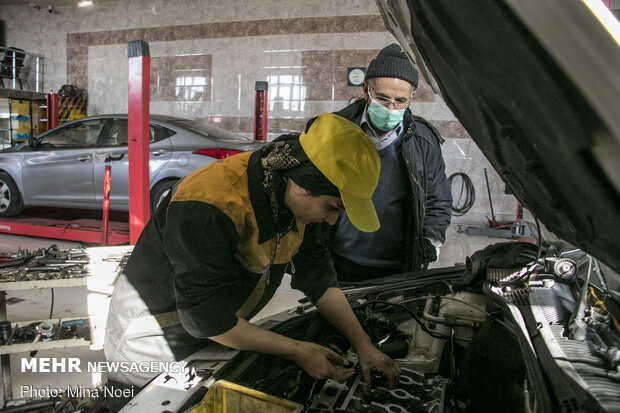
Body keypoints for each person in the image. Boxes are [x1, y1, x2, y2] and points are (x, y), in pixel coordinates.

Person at [103, 113, 401, 410]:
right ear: (302, 185)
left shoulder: (295, 194)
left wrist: (364, 346)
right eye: (333, 207)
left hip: (218, 334)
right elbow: (206, 317)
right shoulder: (209, 203)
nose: (333, 219)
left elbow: (318, 276)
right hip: (152, 344)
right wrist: (298, 351)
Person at [305, 43, 452, 281]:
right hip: (337, 261)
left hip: (398, 266)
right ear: (366, 90)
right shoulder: (332, 132)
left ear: (412, 97)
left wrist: (429, 244)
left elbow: (438, 199)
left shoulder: (423, 141)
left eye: (400, 101)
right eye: (383, 99)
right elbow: (306, 191)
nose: (391, 108)